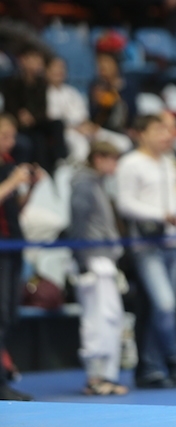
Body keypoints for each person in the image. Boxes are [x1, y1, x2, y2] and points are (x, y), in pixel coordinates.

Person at [116, 114, 176, 388]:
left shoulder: (168, 163)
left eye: (167, 131)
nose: (167, 135)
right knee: (164, 305)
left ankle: (152, 367)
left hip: (173, 245)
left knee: (160, 310)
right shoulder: (130, 163)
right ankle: (174, 360)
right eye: (158, 130)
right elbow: (125, 204)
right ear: (142, 133)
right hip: (146, 245)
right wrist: (162, 215)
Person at [68, 141, 128, 396]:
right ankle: (95, 377)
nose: (115, 166)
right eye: (112, 159)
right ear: (98, 158)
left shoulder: (97, 183)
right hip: (93, 260)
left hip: (104, 258)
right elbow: (78, 225)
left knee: (111, 318)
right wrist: (82, 262)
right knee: (97, 319)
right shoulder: (84, 184)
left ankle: (105, 376)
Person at [0, 113, 42, 401]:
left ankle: (4, 377)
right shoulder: (9, 171)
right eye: (4, 136)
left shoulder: (8, 163)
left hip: (13, 244)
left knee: (8, 315)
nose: (10, 142)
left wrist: (32, 186)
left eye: (12, 136)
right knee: (0, 314)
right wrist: (13, 180)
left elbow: (14, 208)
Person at [46, 57, 132, 162]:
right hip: (66, 132)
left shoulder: (72, 92)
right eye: (55, 68)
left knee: (124, 142)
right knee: (82, 148)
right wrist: (75, 128)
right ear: (47, 71)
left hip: (85, 128)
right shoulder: (44, 92)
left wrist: (88, 126)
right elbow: (52, 120)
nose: (59, 71)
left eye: (61, 68)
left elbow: (84, 115)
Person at [3, 46, 67, 175]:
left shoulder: (42, 84)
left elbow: (43, 109)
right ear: (23, 60)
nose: (37, 63)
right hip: (18, 123)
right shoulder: (10, 82)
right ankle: (42, 172)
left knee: (57, 124)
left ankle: (61, 161)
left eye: (39, 59)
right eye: (33, 58)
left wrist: (33, 117)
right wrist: (20, 115)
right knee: (38, 140)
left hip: (36, 121)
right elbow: (9, 107)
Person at [89, 52, 138, 136]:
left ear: (116, 64)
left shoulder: (127, 86)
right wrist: (96, 102)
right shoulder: (96, 87)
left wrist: (117, 96)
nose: (102, 67)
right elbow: (92, 116)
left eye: (107, 62)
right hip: (100, 130)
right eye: (99, 63)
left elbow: (132, 113)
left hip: (123, 130)